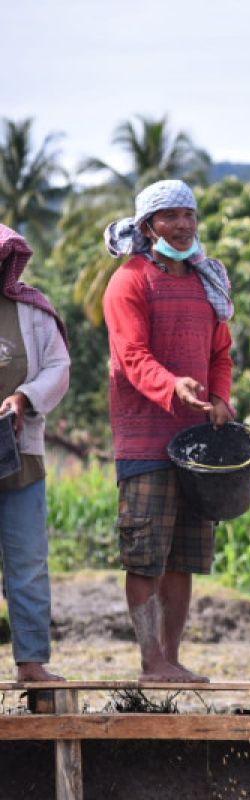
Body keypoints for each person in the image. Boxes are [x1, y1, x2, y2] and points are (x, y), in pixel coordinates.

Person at [102, 179, 236, 683]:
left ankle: (171, 659)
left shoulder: (209, 280)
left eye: (189, 215)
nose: (182, 226)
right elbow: (131, 356)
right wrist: (171, 384)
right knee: (145, 557)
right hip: (145, 442)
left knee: (183, 557)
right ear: (146, 226)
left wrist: (219, 397)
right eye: (170, 216)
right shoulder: (129, 281)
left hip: (197, 444)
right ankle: (150, 661)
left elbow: (220, 352)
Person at [0, 225, 70, 684]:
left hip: (19, 455)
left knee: (26, 562)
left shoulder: (31, 311)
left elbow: (59, 367)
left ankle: (31, 663)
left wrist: (24, 398)